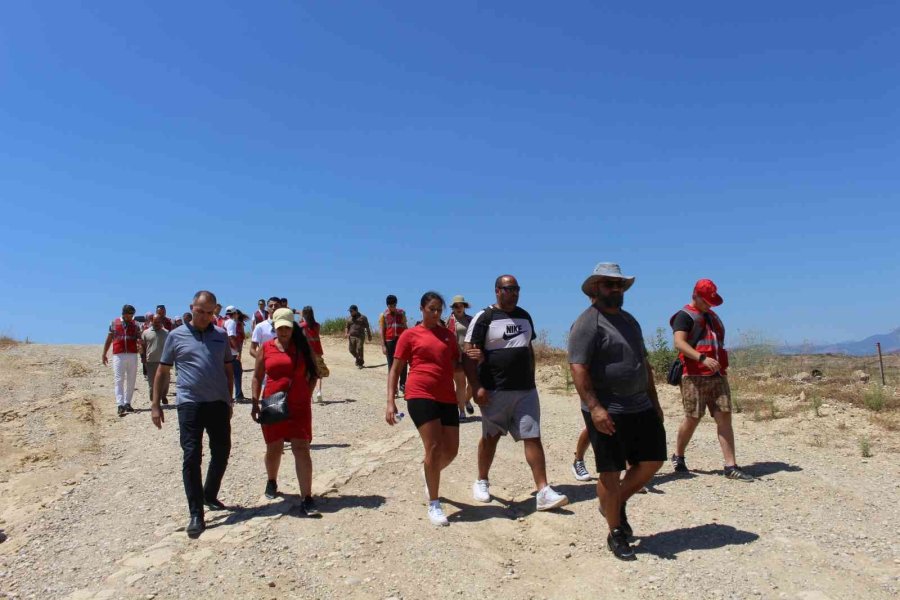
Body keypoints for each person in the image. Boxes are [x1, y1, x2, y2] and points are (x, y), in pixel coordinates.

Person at [568, 263, 667, 561]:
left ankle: (613, 502)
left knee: (653, 460)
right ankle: (616, 532)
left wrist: (655, 401)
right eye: (610, 285)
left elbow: (644, 364)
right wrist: (595, 408)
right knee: (610, 470)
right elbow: (578, 368)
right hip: (606, 408)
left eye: (619, 285)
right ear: (596, 288)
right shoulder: (587, 323)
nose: (616, 290)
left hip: (639, 404)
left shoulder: (630, 321)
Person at [463, 275, 568, 512]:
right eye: (509, 289)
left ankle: (543, 491)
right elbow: (468, 357)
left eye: (517, 289)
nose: (514, 293)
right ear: (497, 291)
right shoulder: (484, 317)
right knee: (491, 437)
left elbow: (528, 348)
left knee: (532, 436)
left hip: (525, 390)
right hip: (495, 390)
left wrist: (532, 377)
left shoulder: (525, 316)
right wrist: (477, 387)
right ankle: (482, 480)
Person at [150, 290, 234, 538]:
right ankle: (196, 512)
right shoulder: (176, 336)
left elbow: (228, 369)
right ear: (191, 308)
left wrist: (229, 400)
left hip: (218, 403)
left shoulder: (220, 335)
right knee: (191, 456)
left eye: (210, 312)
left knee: (222, 451)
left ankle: (209, 493)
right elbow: (162, 372)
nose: (205, 317)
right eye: (200, 311)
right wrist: (156, 405)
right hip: (190, 405)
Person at [385, 292, 459, 526]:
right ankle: (435, 504)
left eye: (439, 310)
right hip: (419, 393)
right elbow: (395, 370)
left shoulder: (448, 336)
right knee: (434, 446)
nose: (436, 314)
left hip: (447, 396)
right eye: (432, 309)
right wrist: (390, 401)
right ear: (421, 309)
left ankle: (429, 471)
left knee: (452, 450)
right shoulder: (410, 335)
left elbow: (457, 366)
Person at [670, 279, 753, 481]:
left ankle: (730, 466)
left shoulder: (711, 316)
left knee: (724, 416)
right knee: (693, 418)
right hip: (693, 375)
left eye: (711, 301)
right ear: (695, 296)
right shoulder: (684, 316)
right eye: (706, 301)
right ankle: (678, 455)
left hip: (717, 374)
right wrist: (701, 358)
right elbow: (679, 343)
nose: (709, 305)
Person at [251, 308, 320, 515]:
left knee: (301, 448)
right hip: (273, 403)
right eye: (280, 328)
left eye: (287, 328)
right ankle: (272, 481)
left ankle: (307, 497)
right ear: (274, 327)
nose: (283, 332)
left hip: (299, 406)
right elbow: (257, 376)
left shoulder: (302, 347)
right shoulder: (266, 348)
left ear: (293, 327)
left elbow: (314, 374)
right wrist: (255, 403)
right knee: (274, 447)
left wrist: (306, 396)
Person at [102, 304, 143, 417]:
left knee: (131, 379)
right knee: (119, 379)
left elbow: (139, 338)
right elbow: (109, 338)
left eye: (133, 314)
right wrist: (104, 353)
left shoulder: (136, 325)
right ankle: (120, 404)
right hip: (118, 355)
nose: (132, 316)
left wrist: (140, 344)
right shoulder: (114, 323)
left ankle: (127, 403)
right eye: (130, 314)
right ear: (124, 314)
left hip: (132, 354)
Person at [447, 295, 475, 421]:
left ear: (465, 307)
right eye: (456, 306)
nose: (459, 308)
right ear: (453, 308)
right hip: (455, 357)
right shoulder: (448, 321)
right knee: (461, 384)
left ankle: (467, 400)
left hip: (470, 355)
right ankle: (462, 411)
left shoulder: (471, 320)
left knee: (473, 384)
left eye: (461, 305)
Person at [379, 295, 408, 393]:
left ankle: (403, 384)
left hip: (401, 341)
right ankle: (393, 386)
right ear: (387, 305)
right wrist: (383, 345)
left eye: (394, 305)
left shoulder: (402, 313)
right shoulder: (383, 315)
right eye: (390, 306)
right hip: (389, 342)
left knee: (403, 363)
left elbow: (405, 326)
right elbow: (382, 331)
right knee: (391, 365)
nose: (392, 307)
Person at [300, 306, 329, 403]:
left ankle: (310, 395)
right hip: (317, 351)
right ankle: (319, 392)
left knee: (307, 374)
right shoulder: (317, 325)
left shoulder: (302, 325)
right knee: (318, 373)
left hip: (307, 352)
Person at [142, 314, 169, 405]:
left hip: (164, 361)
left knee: (165, 381)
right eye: (155, 321)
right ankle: (153, 399)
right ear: (151, 321)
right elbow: (142, 346)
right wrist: (143, 357)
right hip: (151, 361)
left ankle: (163, 396)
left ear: (161, 322)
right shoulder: (146, 333)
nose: (156, 323)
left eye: (158, 322)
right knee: (152, 381)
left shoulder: (166, 332)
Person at [224, 306, 247, 402]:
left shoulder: (225, 322)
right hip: (232, 353)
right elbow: (231, 337)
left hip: (225, 351)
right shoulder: (232, 322)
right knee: (237, 373)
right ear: (235, 313)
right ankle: (238, 395)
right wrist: (237, 350)